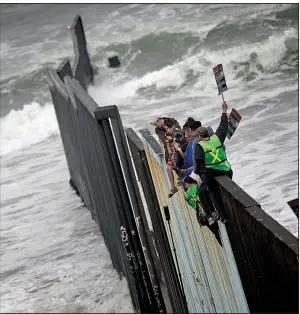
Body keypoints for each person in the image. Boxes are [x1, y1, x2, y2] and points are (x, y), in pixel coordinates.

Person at [194, 100, 233, 223]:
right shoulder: (217, 137)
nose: (196, 138)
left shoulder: (199, 146)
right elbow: (224, 125)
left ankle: (223, 216)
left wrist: (198, 173)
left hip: (211, 174)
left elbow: (199, 164)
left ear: (200, 136)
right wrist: (224, 110)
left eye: (196, 136)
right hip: (226, 170)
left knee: (213, 192)